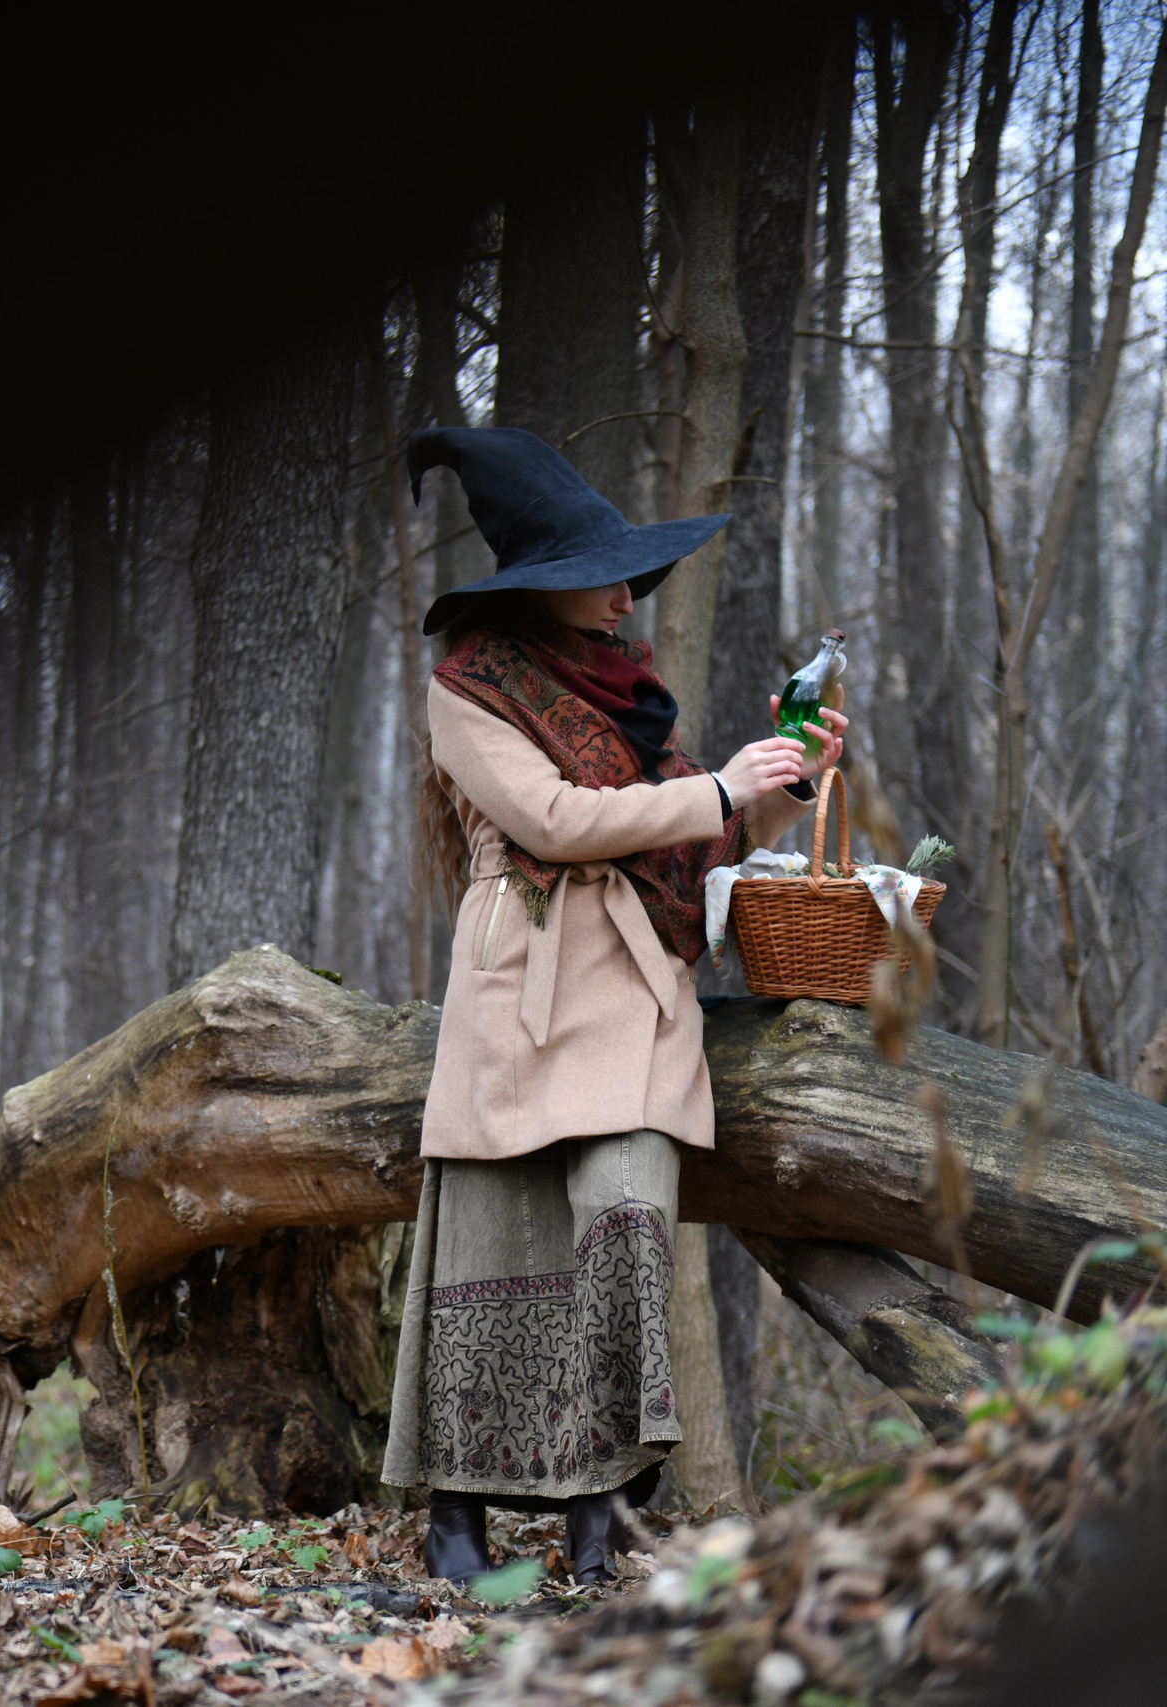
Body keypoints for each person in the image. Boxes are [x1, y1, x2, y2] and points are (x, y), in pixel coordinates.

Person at [377, 427, 847, 1587]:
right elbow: (551, 822)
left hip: (636, 990)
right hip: (518, 983)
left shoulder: (631, 699)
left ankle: (604, 1518)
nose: (628, 592)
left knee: (627, 1231)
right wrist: (717, 789)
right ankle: (460, 1523)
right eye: (605, 571)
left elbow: (698, 833)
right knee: (486, 1250)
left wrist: (781, 781)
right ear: (540, 584)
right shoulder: (469, 692)